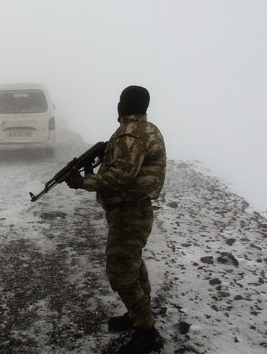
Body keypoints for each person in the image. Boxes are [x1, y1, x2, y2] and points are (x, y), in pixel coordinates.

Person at [65, 85, 166, 354]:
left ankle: (147, 331)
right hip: (130, 211)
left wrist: (83, 182)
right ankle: (139, 314)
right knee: (133, 265)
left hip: (130, 211)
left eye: (121, 101)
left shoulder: (131, 134)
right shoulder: (145, 129)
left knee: (121, 272)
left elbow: (121, 177)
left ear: (126, 105)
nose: (118, 105)